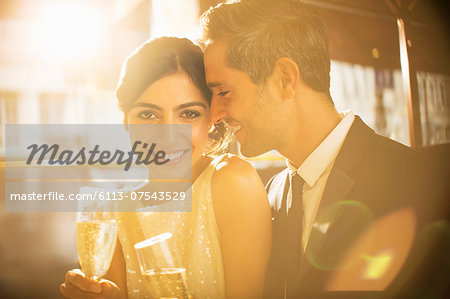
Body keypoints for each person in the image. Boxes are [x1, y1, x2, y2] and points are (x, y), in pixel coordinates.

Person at [200, 0, 443, 298]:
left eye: (224, 92)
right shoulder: (269, 194)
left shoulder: (421, 182)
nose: (214, 115)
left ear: (285, 78)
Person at [60, 37, 272, 299]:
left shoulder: (233, 182)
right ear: (126, 120)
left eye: (189, 114)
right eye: (149, 115)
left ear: (211, 119)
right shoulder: (112, 214)